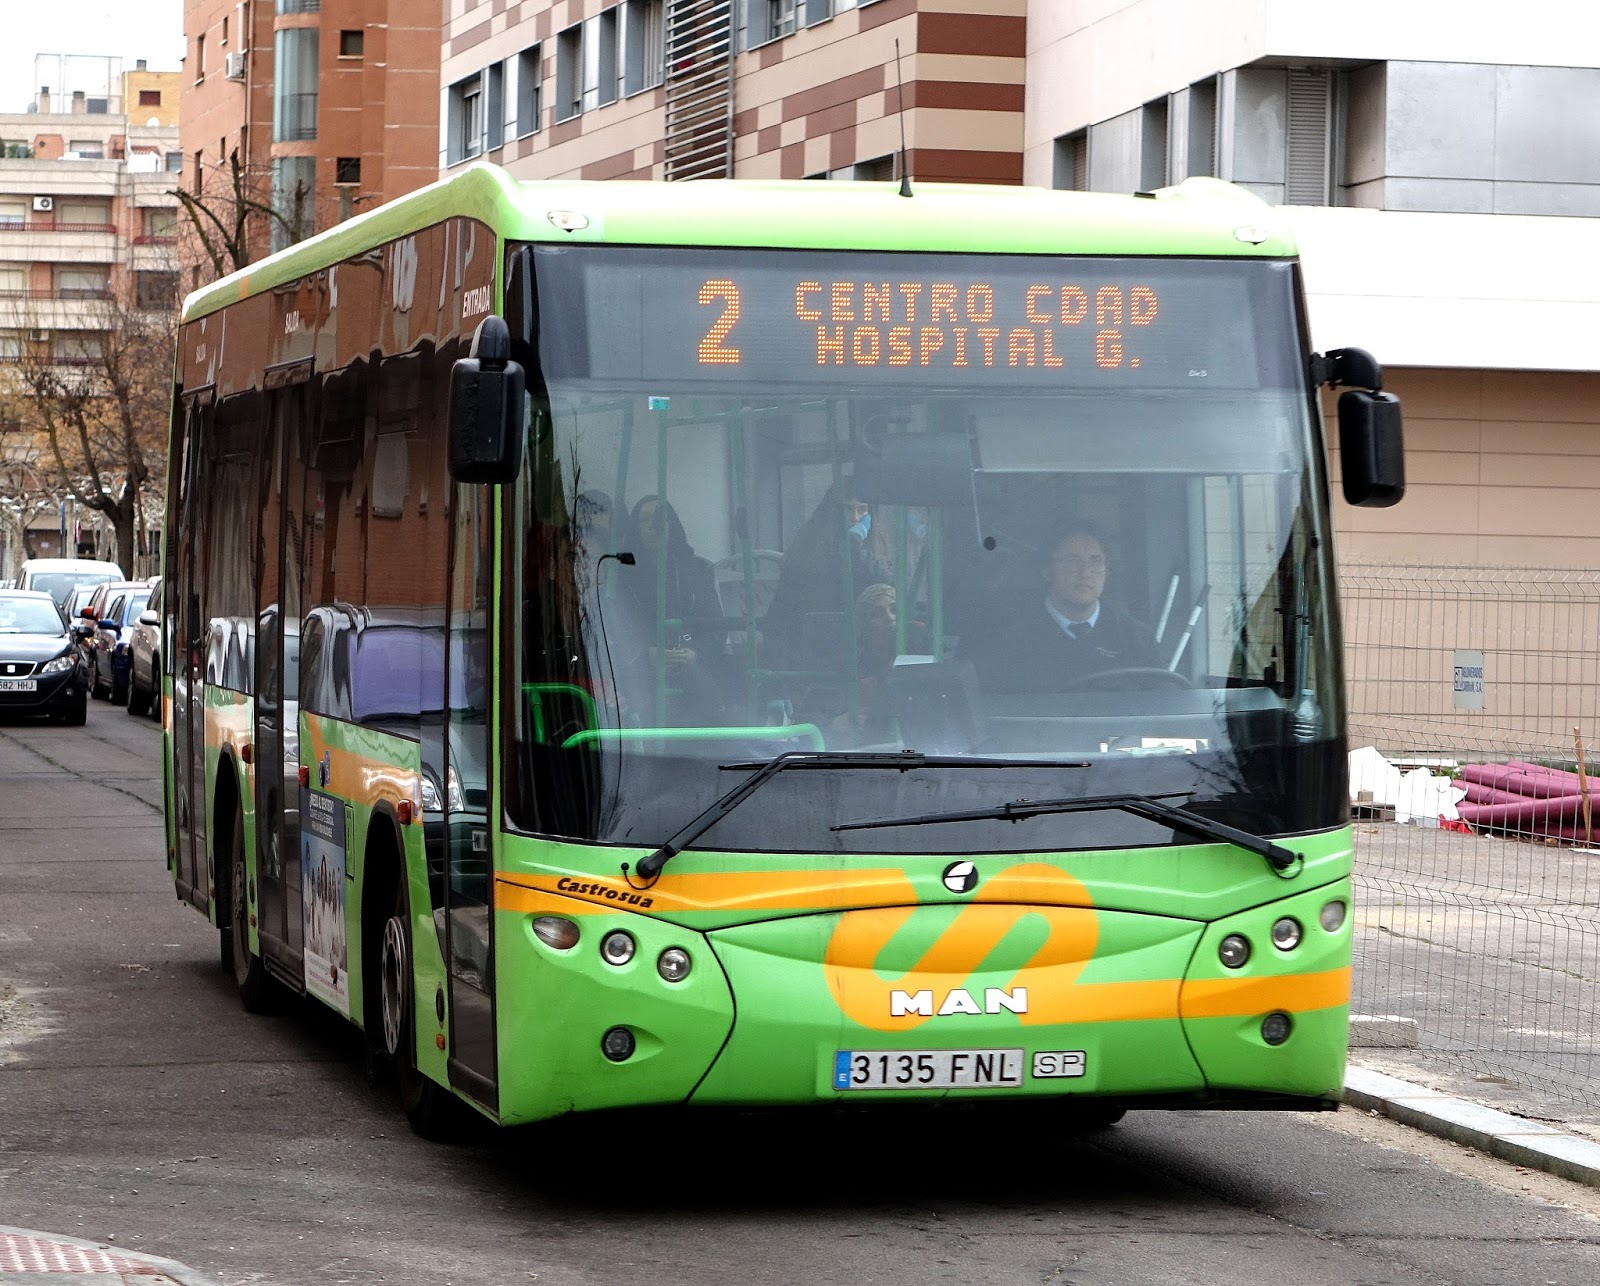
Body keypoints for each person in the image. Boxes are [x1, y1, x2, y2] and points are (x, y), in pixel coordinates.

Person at [993, 525, 1156, 690]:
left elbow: (1162, 704)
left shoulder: (1137, 638)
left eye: (1095, 561)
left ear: (1107, 571)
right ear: (1047, 570)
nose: (1085, 573)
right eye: (1072, 561)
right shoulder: (1011, 640)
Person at [611, 495, 725, 719]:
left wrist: (695, 652)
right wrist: (647, 653)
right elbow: (614, 628)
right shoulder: (619, 573)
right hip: (638, 675)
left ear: (672, 525)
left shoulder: (698, 569)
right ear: (635, 527)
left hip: (694, 669)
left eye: (660, 519)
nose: (653, 526)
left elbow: (716, 625)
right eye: (645, 519)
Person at [764, 484, 893, 670]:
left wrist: (854, 547)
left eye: (862, 509)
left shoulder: (875, 554)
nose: (854, 518)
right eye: (848, 509)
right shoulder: (807, 554)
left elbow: (885, 586)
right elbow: (779, 621)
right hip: (815, 657)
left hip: (866, 661)